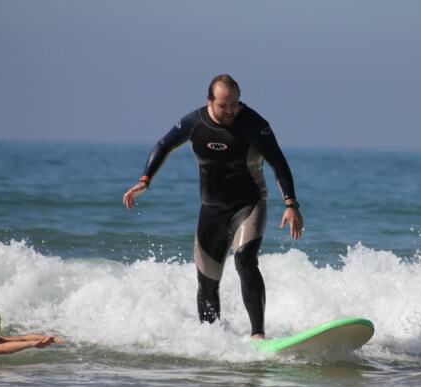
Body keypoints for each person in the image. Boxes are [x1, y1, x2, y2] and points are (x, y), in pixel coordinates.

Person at [123, 74, 303, 339]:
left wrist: (291, 204)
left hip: (249, 205)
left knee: (244, 260)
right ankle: (211, 340)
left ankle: (258, 335)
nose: (230, 110)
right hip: (211, 210)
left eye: (235, 103)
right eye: (223, 105)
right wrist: (145, 180)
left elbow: (278, 162)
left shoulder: (254, 124)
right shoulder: (194, 122)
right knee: (207, 281)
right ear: (209, 101)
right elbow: (163, 145)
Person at [0, 307, 65, 358]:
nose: (0, 327)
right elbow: (3, 348)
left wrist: (44, 338)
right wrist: (32, 344)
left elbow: (24, 338)